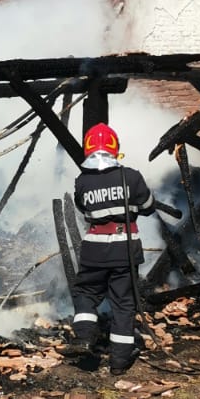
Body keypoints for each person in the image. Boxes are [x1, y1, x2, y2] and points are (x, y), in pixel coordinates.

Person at [70, 123, 159, 371]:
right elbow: (148, 206)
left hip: (94, 249)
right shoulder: (131, 176)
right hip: (125, 250)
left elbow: (84, 210)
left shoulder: (82, 181)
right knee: (123, 303)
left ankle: (85, 337)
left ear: (87, 150)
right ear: (115, 148)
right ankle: (119, 362)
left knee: (86, 293)